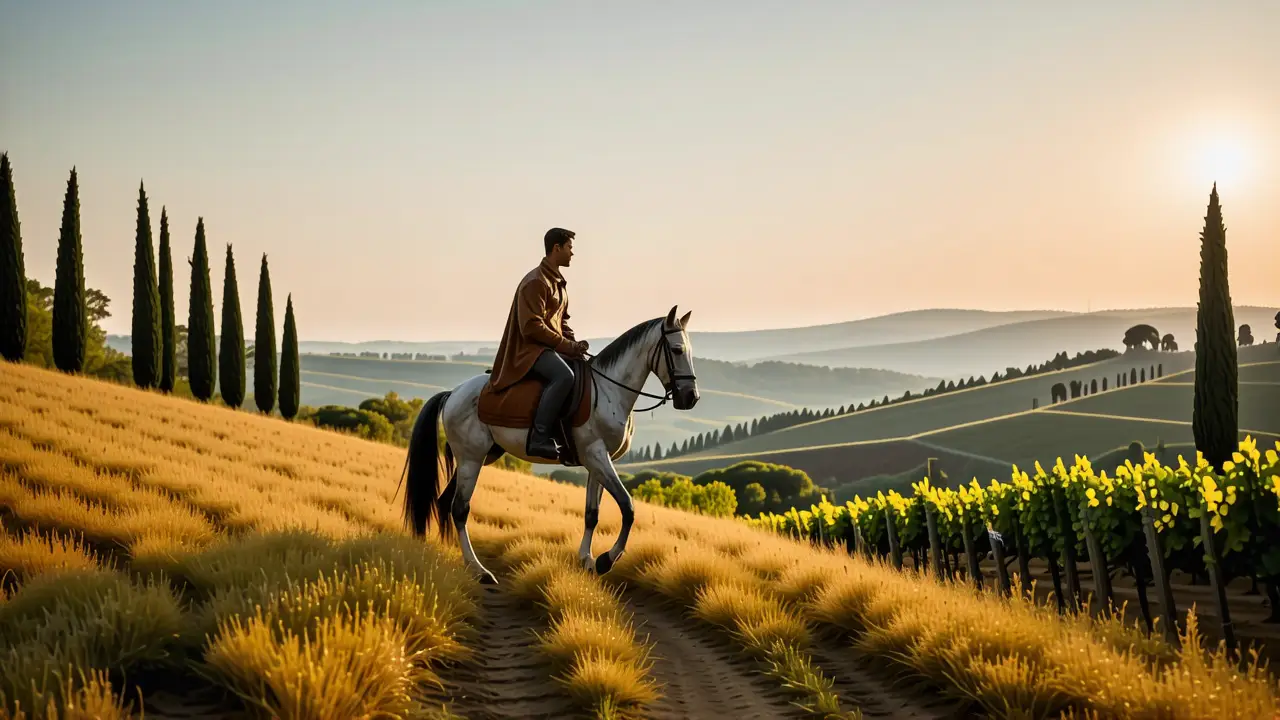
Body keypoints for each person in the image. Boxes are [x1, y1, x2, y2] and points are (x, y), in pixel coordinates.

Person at [488, 227, 590, 459]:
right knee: (565, 376)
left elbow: (561, 322)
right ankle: (539, 438)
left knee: (580, 371)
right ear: (557, 248)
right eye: (569, 248)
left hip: (547, 347)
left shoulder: (557, 283)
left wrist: (575, 347)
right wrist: (567, 347)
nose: (572, 254)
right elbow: (531, 327)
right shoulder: (536, 282)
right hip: (528, 351)